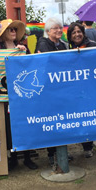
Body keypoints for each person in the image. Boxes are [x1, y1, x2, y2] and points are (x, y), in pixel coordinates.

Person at [0, 19, 38, 171]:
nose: (13, 31)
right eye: (9, 29)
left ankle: (27, 157)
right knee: (9, 126)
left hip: (21, 94)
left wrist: (23, 53)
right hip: (5, 94)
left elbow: (31, 65)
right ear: (3, 32)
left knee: (24, 124)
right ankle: (12, 157)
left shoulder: (23, 47)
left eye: (14, 29)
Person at [36, 18, 69, 166]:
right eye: (55, 28)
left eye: (60, 28)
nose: (58, 31)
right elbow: (49, 61)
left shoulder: (63, 45)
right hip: (48, 90)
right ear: (48, 31)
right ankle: (51, 153)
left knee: (63, 120)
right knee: (52, 121)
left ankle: (63, 153)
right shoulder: (43, 43)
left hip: (62, 89)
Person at [66, 22, 96, 158]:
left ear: (83, 33)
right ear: (70, 36)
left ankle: (88, 147)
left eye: (79, 31)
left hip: (90, 88)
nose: (77, 34)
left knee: (89, 116)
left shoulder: (93, 46)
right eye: (73, 33)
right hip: (75, 89)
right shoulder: (67, 49)